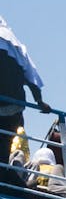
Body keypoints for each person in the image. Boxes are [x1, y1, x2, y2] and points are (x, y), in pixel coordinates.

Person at [0, 14, 51, 179]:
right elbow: (31, 75)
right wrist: (39, 101)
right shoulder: (16, 45)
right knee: (6, 144)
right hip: (14, 108)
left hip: (5, 104)